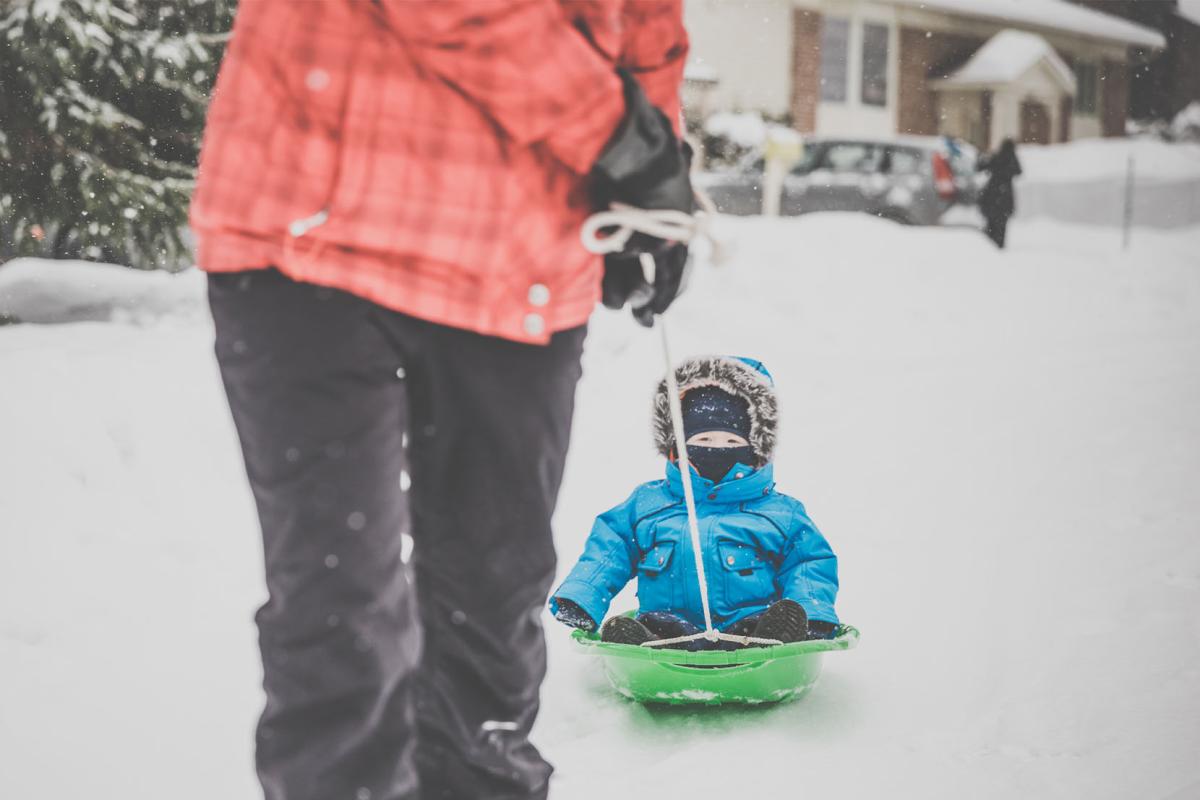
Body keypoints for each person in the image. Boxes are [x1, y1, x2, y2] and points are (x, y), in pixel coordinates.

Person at [189, 3, 691, 799]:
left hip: (524, 266)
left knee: (493, 598)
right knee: (341, 602)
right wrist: (618, 141)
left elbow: (646, 32)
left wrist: (650, 198)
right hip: (315, 230)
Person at [549, 356, 840, 650]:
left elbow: (808, 563)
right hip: (668, 630)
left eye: (731, 443)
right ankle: (641, 644)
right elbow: (610, 549)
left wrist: (811, 613)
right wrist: (582, 596)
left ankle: (777, 639)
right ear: (677, 445)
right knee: (643, 628)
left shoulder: (779, 513)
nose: (716, 449)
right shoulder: (649, 505)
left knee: (772, 622)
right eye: (703, 439)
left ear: (756, 447)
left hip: (749, 630)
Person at [977, 138, 1023, 249]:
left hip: (992, 194)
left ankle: (989, 245)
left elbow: (981, 167)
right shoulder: (1012, 159)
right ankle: (999, 244)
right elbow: (1019, 171)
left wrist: (981, 156)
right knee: (1002, 225)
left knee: (991, 222)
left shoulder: (997, 157)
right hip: (1005, 196)